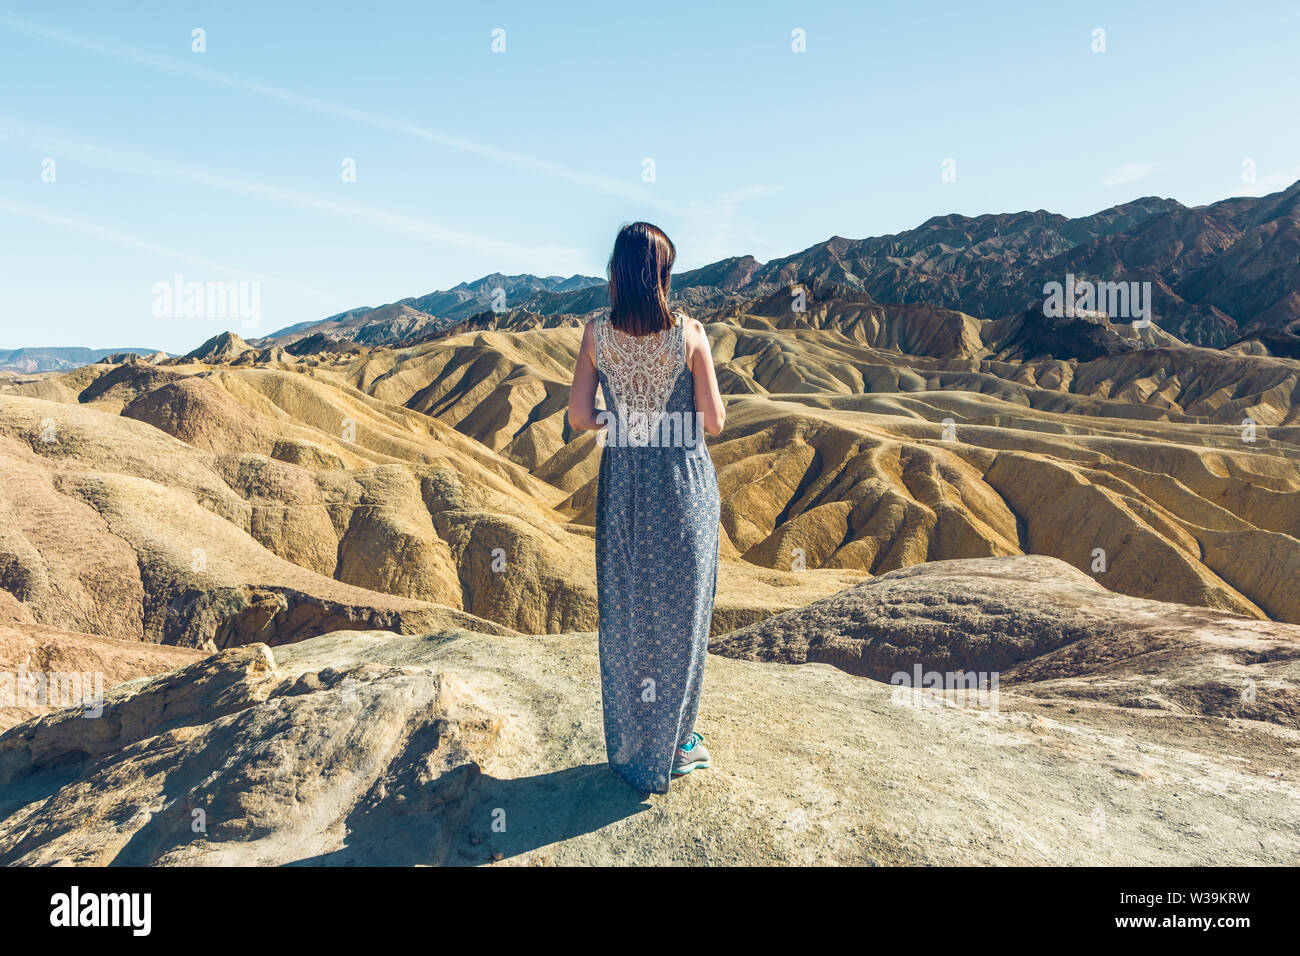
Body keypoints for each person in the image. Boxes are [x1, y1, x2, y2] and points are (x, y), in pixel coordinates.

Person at [567, 221, 725, 794]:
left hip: (625, 489)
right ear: (660, 276)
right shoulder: (690, 334)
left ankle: (633, 747)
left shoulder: (594, 335)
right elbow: (714, 421)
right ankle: (680, 744)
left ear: (616, 273)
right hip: (683, 487)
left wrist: (622, 421)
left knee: (628, 613)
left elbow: (580, 417)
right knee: (684, 615)